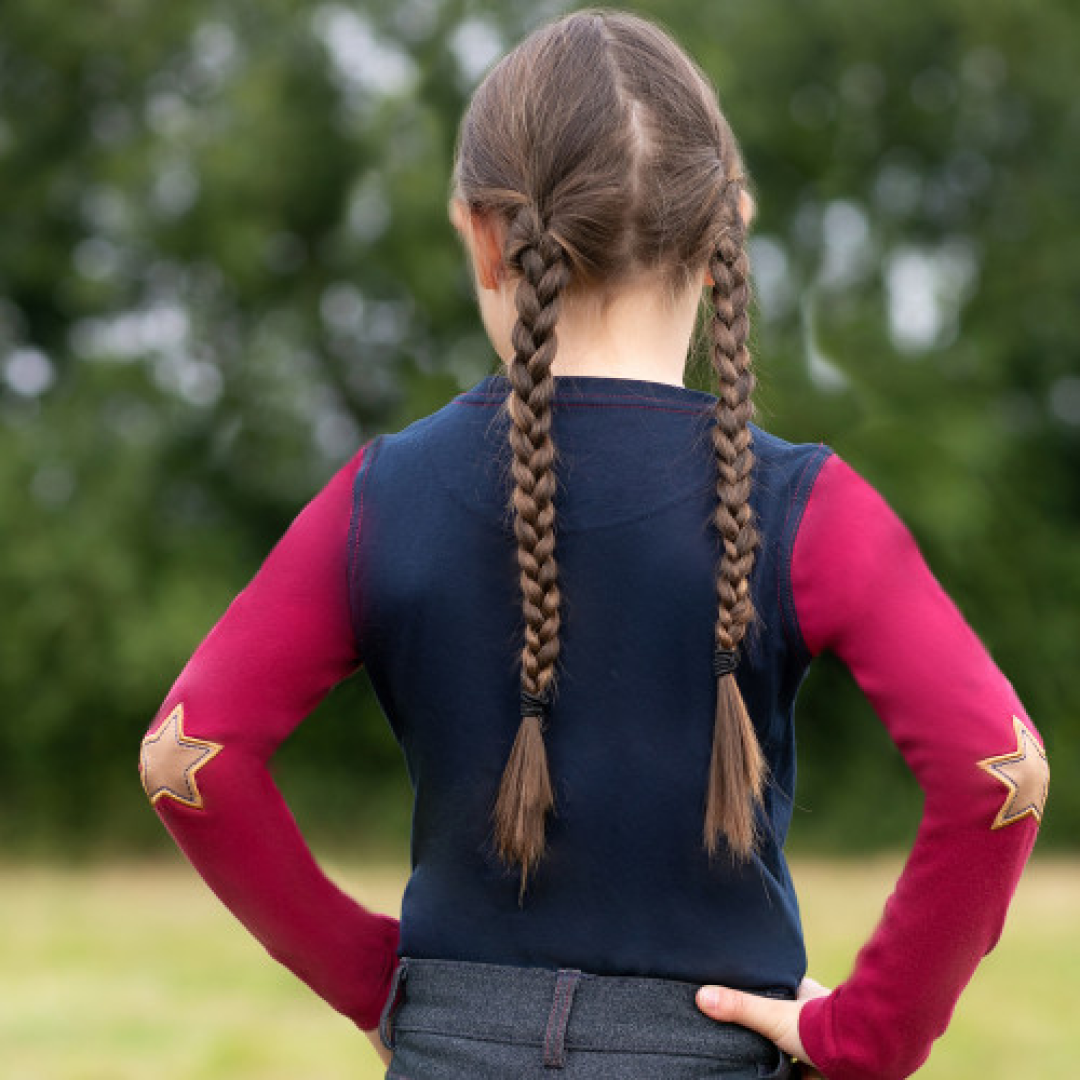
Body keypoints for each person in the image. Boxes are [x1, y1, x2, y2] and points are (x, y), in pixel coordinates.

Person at [138, 9, 1049, 1079]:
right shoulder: (809, 506)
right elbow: (998, 773)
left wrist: (371, 978)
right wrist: (871, 1035)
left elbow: (189, 756)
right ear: (729, 228)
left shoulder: (379, 496)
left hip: (451, 1047)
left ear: (483, 235)